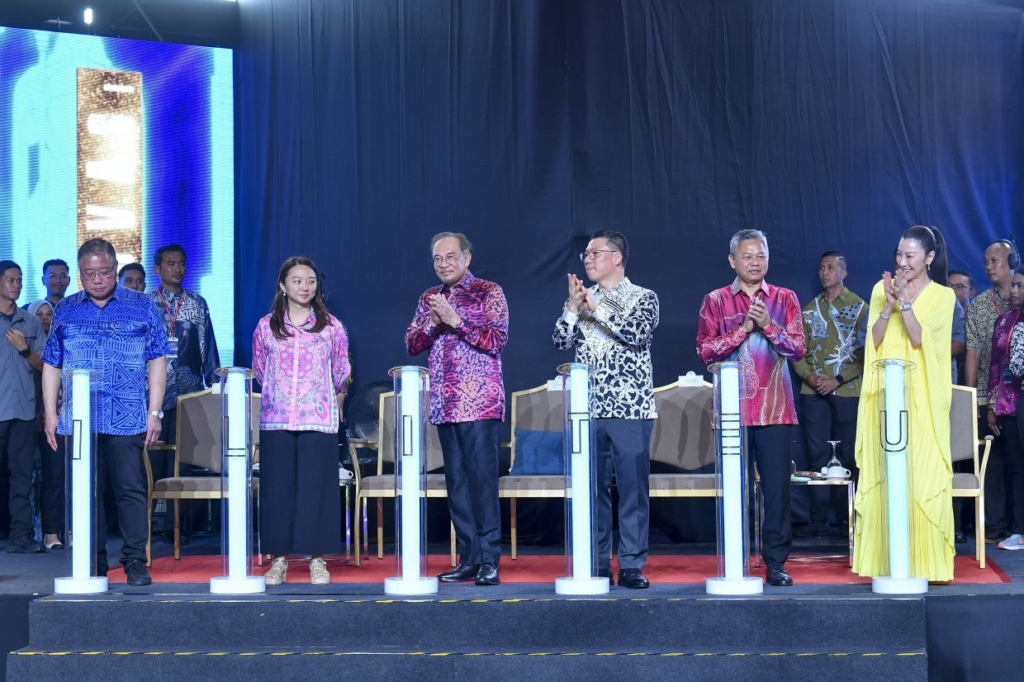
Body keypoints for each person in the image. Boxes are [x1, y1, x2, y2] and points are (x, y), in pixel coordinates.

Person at [42, 239, 168, 586]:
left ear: (115, 268)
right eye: (88, 274)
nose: (97, 280)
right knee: (86, 491)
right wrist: (51, 413)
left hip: (127, 415)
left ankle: (134, 561)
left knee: (129, 488)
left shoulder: (142, 306)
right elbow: (52, 363)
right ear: (79, 273)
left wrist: (154, 411)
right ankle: (92, 561)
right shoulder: (66, 309)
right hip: (80, 419)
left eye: (104, 272)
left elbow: (158, 359)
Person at [697, 229, 806, 587]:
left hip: (776, 409)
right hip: (732, 411)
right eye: (747, 256)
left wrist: (768, 326)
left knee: (777, 490)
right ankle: (735, 558)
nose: (755, 262)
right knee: (736, 489)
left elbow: (798, 349)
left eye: (760, 255)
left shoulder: (785, 298)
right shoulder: (715, 301)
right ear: (732, 261)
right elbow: (706, 352)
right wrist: (744, 329)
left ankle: (775, 562)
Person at [554, 230, 659, 590]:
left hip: (629, 406)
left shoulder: (643, 297)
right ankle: (599, 561)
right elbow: (559, 340)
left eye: (595, 252)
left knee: (631, 489)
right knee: (593, 488)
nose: (587, 259)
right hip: (589, 408)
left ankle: (631, 563)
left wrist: (595, 307)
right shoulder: (582, 300)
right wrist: (571, 308)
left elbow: (636, 333)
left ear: (616, 257)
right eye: (585, 253)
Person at [853, 225, 955, 582]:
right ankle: (887, 562)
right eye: (898, 254)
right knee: (886, 474)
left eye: (910, 256)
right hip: (885, 394)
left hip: (922, 398)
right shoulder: (880, 290)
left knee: (921, 476)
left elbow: (919, 340)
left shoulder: (944, 297)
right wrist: (887, 305)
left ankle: (927, 565)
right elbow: (875, 342)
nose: (902, 262)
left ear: (928, 258)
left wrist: (905, 302)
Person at [406, 232, 508, 587]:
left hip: (479, 401)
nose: (444, 263)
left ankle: (490, 560)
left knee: (482, 483)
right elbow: (411, 343)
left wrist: (456, 320)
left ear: (466, 257)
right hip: (445, 404)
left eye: (451, 256)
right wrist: (433, 323)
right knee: (458, 485)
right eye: (438, 258)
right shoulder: (428, 298)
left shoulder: (488, 291)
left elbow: (496, 339)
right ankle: (469, 558)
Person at [252, 257, 350, 586]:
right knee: (278, 490)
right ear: (282, 286)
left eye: (310, 281)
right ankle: (278, 559)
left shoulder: (332, 327)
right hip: (277, 418)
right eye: (297, 280)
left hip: (318, 419)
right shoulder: (266, 326)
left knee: (316, 490)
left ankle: (317, 559)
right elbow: (260, 371)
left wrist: (332, 402)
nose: (305, 287)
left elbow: (341, 372)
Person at [791, 252, 867, 536]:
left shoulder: (859, 308)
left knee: (848, 453)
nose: (825, 272)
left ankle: (847, 517)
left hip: (846, 390)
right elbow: (797, 351)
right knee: (817, 454)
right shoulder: (809, 310)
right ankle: (819, 520)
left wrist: (837, 379)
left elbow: (865, 352)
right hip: (813, 390)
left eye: (831, 267)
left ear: (843, 273)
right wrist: (811, 376)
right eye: (821, 267)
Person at [147, 245, 220, 536]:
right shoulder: (146, 304)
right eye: (170, 264)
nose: (177, 269)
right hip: (153, 395)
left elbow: (208, 346)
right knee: (155, 460)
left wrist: (214, 386)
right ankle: (156, 523)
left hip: (189, 394)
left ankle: (183, 525)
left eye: (181, 264)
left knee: (186, 459)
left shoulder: (197, 303)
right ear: (158, 269)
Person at [965, 240, 1017, 543]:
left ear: (1012, 261)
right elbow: (972, 352)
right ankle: (995, 522)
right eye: (985, 261)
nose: (988, 267)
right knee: (992, 462)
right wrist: (970, 397)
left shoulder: (1021, 298)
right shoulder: (981, 305)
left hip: (1017, 395)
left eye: (994, 261)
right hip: (988, 395)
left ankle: (1017, 522)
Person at [0, 261, 47, 554]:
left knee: (22, 476)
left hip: (24, 410)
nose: (17, 285)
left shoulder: (29, 322)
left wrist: (25, 349)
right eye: (11, 280)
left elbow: (45, 365)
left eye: (19, 281)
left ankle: (21, 535)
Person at [989, 269, 1024, 551]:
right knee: (1016, 467)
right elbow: (999, 368)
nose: (1014, 290)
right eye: (1013, 285)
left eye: (1020, 286)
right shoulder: (1005, 321)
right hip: (1012, 402)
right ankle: (1018, 530)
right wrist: (991, 404)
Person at [27, 299, 64, 550]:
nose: (44, 318)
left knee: (72, 478)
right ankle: (51, 533)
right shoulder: (31, 345)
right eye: (39, 313)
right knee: (52, 477)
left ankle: (72, 529)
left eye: (49, 313)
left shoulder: (64, 340)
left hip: (73, 416)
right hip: (42, 420)